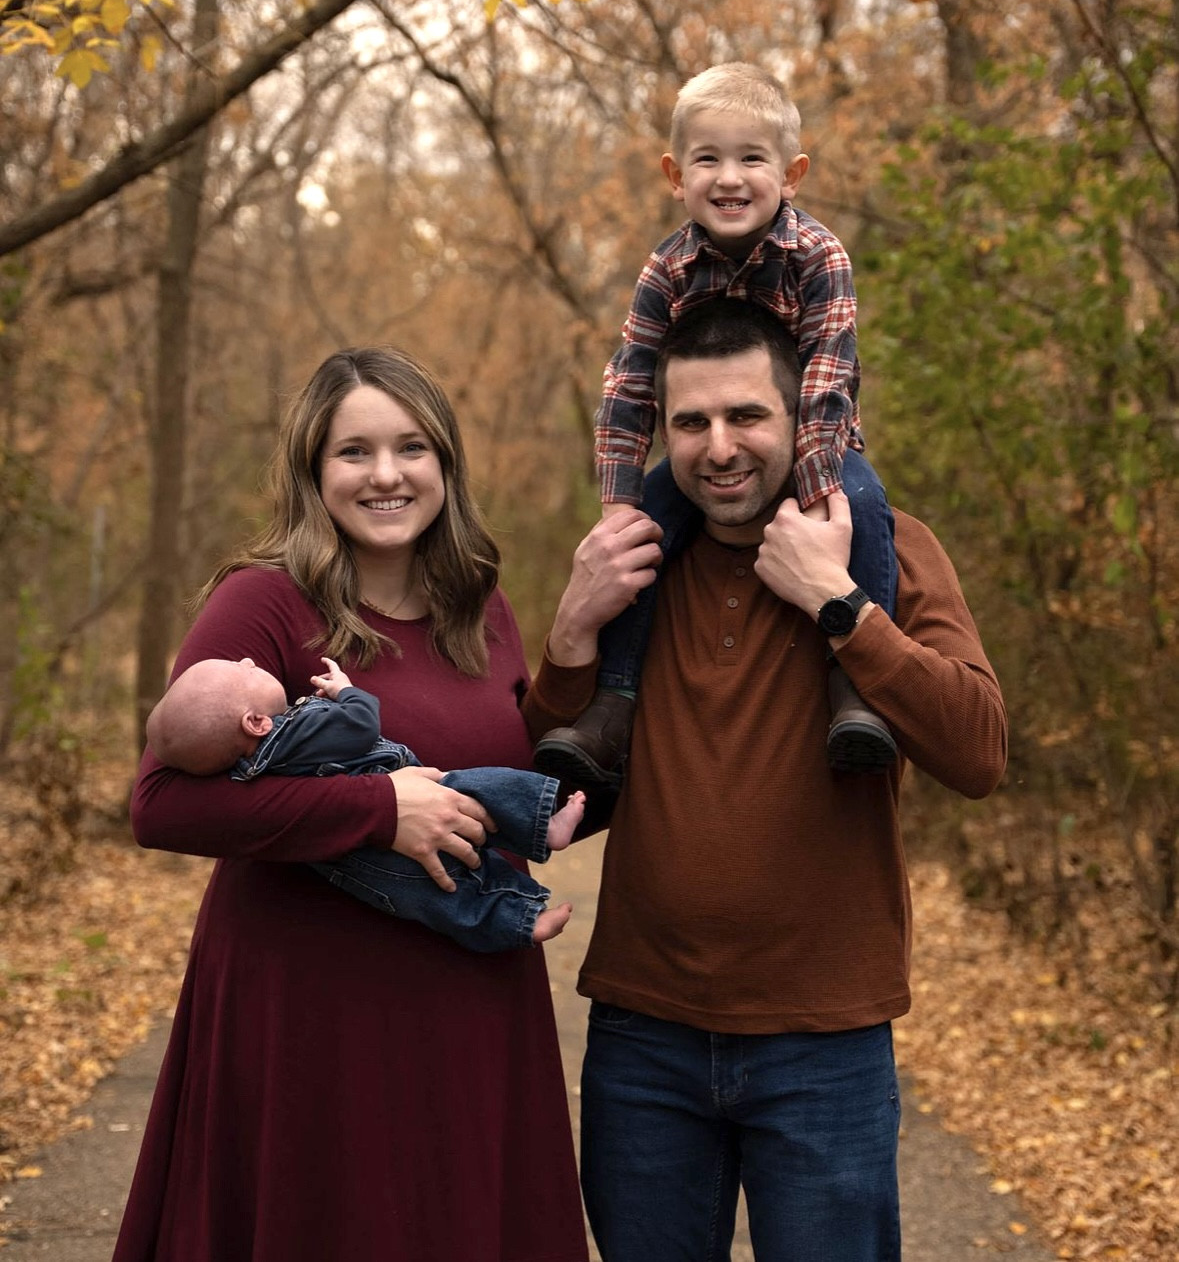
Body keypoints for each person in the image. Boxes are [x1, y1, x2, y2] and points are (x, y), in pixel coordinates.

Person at [524, 300, 1008, 1262]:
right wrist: (570, 634)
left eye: (746, 415)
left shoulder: (886, 548)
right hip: (643, 1034)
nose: (718, 447)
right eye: (690, 422)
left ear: (801, 419)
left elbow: (978, 751)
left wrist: (840, 605)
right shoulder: (636, 566)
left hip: (822, 1043)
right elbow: (553, 800)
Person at [113, 347, 590, 1262]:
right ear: (312, 470)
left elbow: (516, 768)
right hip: (309, 1012)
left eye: (411, 447)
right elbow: (161, 805)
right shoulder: (262, 603)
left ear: (444, 463)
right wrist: (378, 810)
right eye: (353, 451)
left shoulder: (479, 606)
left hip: (471, 1003)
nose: (385, 475)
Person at [534, 62, 897, 788]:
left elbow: (828, 376)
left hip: (818, 443)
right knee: (638, 540)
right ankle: (614, 702)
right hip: (704, 461)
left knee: (862, 506)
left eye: (751, 158)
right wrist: (618, 503)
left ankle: (855, 689)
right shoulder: (666, 269)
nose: (729, 178)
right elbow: (630, 381)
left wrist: (816, 490)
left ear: (791, 174)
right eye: (707, 159)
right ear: (676, 175)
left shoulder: (817, 255)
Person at [144, 653, 586, 952]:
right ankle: (542, 826)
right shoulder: (294, 733)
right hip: (405, 800)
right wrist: (345, 691)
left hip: (365, 866)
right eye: (243, 672)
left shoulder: (251, 769)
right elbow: (361, 724)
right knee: (476, 788)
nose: (247, 659)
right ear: (257, 722)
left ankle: (522, 921)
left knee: (446, 899)